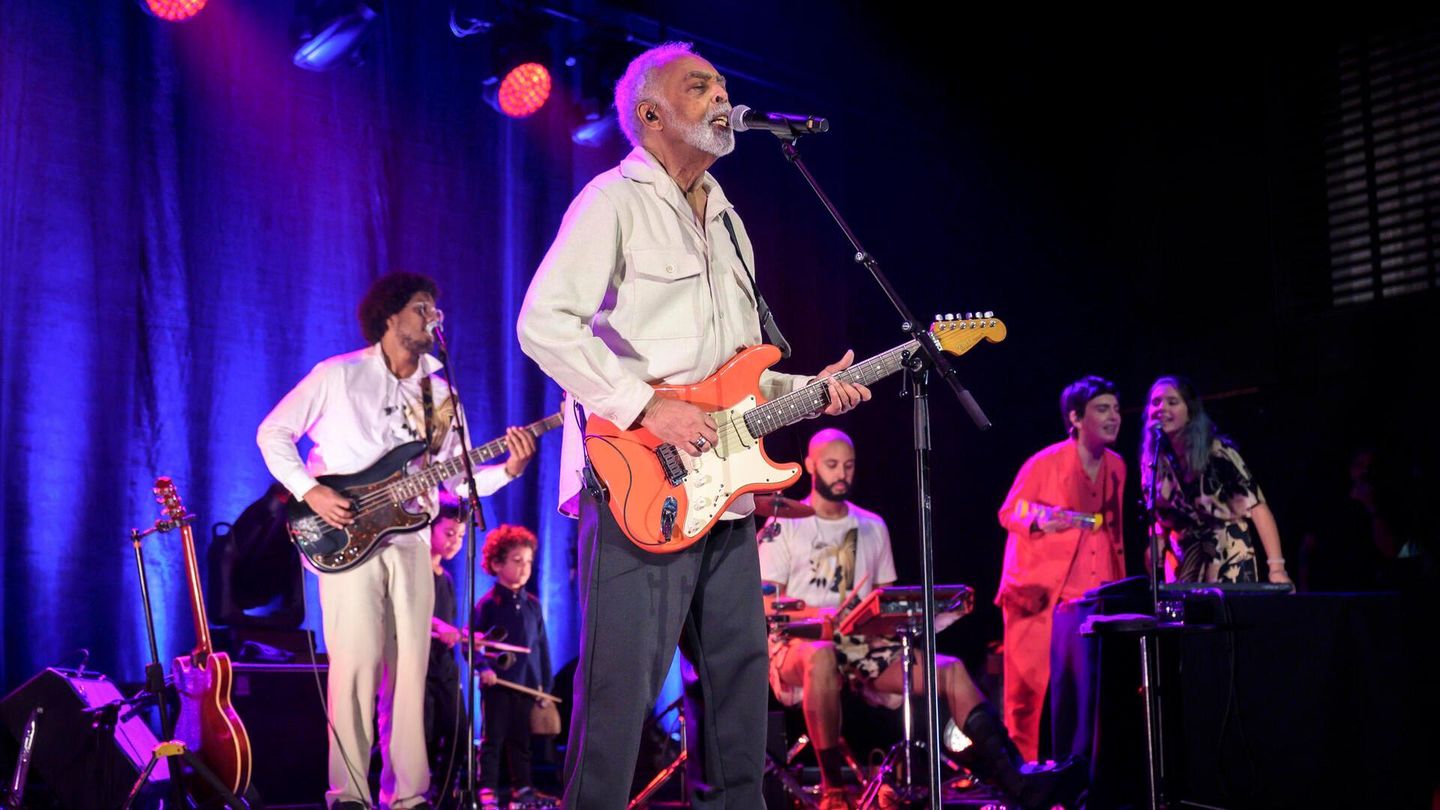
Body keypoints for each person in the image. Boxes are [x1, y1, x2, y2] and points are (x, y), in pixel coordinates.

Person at [515, 41, 872, 809]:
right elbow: (543, 324)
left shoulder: (731, 223)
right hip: (636, 484)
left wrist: (814, 389)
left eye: (722, 84)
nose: (720, 97)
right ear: (653, 115)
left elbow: (741, 370)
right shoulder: (613, 201)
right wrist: (647, 406)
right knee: (617, 701)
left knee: (740, 704)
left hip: (727, 496)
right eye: (699, 86)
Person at [257, 271, 533, 810]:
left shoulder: (439, 389)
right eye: (422, 307)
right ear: (390, 315)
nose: (434, 317)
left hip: (410, 537)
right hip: (344, 533)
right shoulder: (338, 376)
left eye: (436, 309)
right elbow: (273, 432)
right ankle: (349, 794)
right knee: (357, 662)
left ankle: (407, 795)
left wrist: (512, 469)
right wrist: (310, 492)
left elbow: (457, 477)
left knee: (410, 666)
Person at [761, 429, 1072, 810]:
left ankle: (1018, 780)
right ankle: (833, 789)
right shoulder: (785, 525)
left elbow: (886, 604)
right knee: (822, 655)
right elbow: (767, 603)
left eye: (849, 465)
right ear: (810, 465)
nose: (842, 473)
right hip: (800, 645)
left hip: (862, 646)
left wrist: (913, 614)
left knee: (952, 669)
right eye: (831, 465)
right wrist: (822, 615)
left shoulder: (872, 526)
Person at [995, 376, 1127, 762]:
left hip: (1094, 594)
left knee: (1091, 696)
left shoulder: (1117, 467)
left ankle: (1083, 780)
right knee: (1026, 696)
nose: (1114, 417)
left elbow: (1116, 532)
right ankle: (1024, 782)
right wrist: (1039, 519)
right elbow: (1009, 511)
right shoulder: (1045, 462)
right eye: (1102, 409)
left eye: (1116, 409)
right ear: (1076, 417)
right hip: (1040, 594)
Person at [1141, 375, 1291, 584]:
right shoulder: (1154, 461)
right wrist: (1156, 540)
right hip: (1181, 565)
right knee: (1180, 617)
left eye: (1172, 402)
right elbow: (1160, 515)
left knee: (1227, 616)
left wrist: (1277, 569)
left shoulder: (1217, 455)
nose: (1161, 408)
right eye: (1155, 402)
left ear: (1190, 412)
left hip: (1227, 558)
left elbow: (1257, 508)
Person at [472, 525, 553, 809]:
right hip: (498, 685)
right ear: (496, 563)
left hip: (526, 685)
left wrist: (545, 686)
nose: (524, 568)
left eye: (528, 561)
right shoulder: (487, 605)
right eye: (517, 561)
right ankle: (487, 790)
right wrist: (484, 669)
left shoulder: (532, 604)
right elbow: (472, 645)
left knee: (522, 741)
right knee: (492, 740)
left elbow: (541, 648)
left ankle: (523, 789)